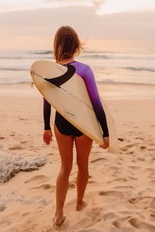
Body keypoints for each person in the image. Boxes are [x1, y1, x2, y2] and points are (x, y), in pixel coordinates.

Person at [42, 25, 110, 227]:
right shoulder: (84, 70)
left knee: (65, 167)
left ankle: (58, 214)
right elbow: (96, 103)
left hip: (61, 123)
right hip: (82, 124)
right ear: (76, 45)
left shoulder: (51, 71)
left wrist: (46, 127)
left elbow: (47, 101)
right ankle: (79, 202)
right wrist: (105, 133)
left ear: (57, 45)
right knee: (82, 166)